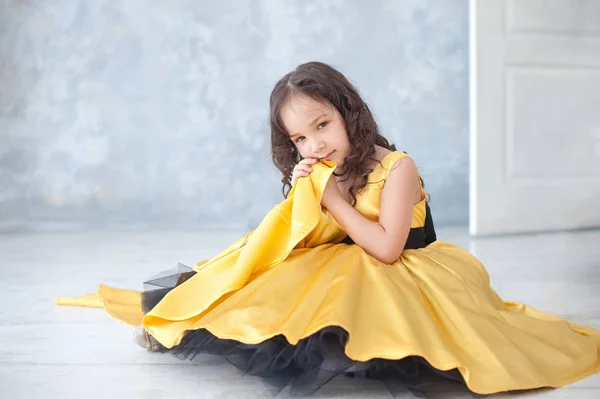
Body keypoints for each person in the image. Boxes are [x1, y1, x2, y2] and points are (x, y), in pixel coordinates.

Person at [57, 61, 600, 397]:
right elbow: (308, 235)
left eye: (323, 125)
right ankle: (179, 318)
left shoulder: (397, 166)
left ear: (349, 113)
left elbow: (388, 248)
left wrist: (335, 201)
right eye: (300, 139)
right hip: (344, 257)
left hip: (406, 268)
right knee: (266, 277)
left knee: (363, 303)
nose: (315, 145)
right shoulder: (321, 168)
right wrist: (305, 196)